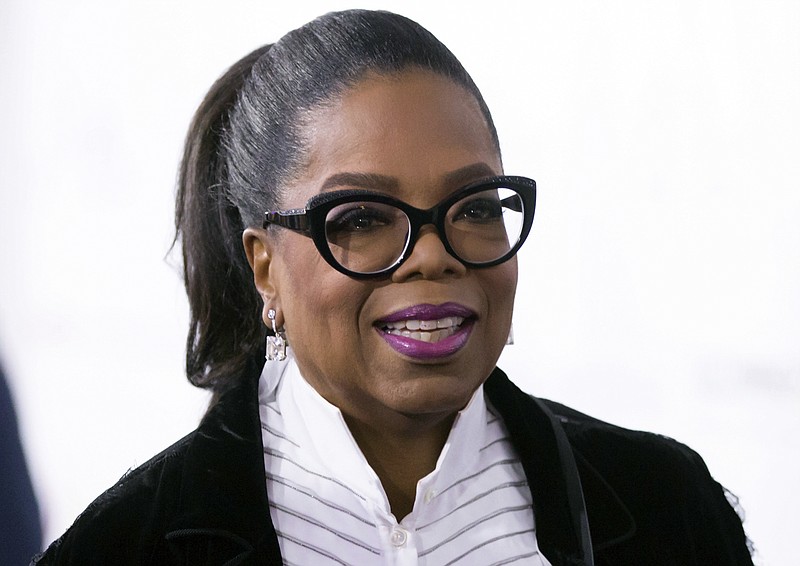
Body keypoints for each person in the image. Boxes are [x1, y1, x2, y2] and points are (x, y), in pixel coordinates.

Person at [34, 9, 753, 565]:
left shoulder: (665, 508)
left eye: (474, 207)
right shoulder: (127, 546)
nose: (433, 256)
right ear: (264, 266)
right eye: (363, 218)